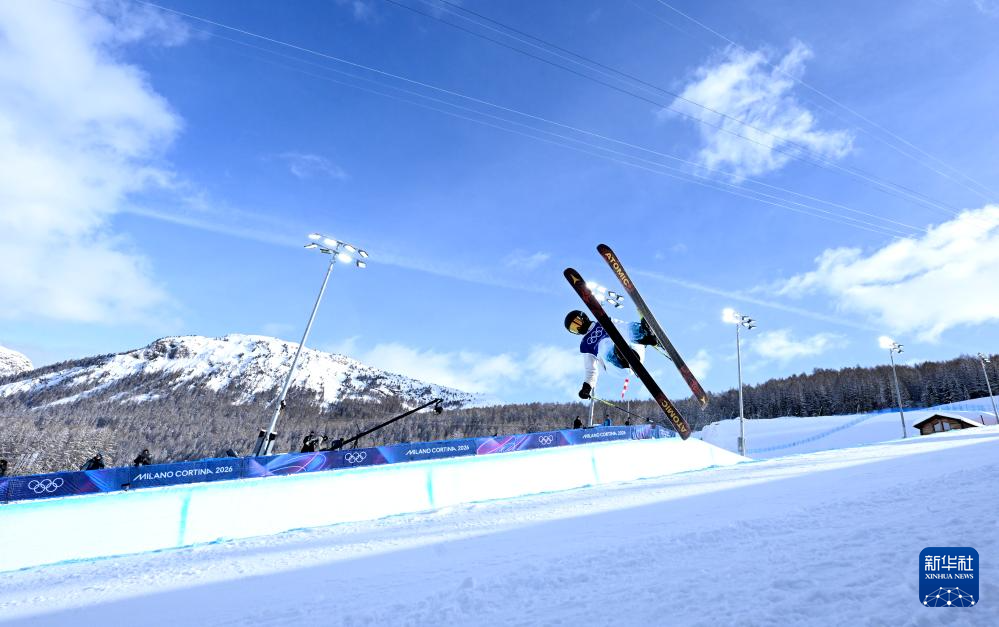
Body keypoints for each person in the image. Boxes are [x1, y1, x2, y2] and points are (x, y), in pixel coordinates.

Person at [564, 310, 658, 400]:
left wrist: (636, 331)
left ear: (583, 317)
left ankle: (644, 333)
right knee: (604, 345)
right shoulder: (585, 345)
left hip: (634, 349)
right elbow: (590, 370)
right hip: (616, 367)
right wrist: (587, 387)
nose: (578, 328)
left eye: (577, 322)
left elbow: (624, 326)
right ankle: (620, 355)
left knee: (622, 329)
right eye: (574, 329)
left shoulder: (603, 321)